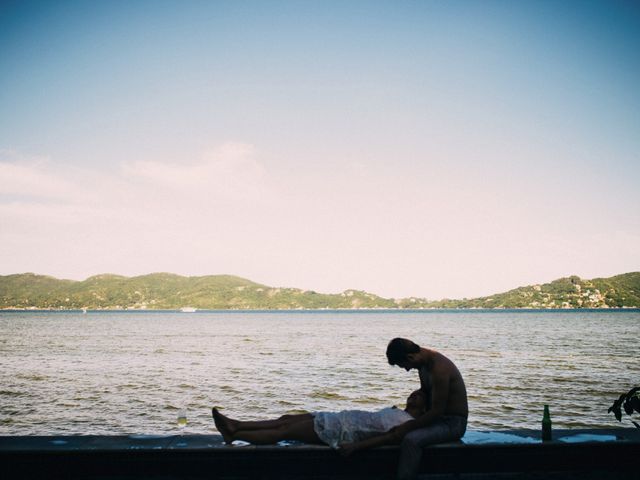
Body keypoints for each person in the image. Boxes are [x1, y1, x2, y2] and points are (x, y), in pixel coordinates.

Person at [212, 389, 428, 452]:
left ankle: (235, 433)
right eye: (413, 392)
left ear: (425, 407)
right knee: (285, 418)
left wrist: (355, 446)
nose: (413, 395)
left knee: (285, 431)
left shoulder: (409, 423)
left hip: (340, 431)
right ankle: (236, 424)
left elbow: (388, 438)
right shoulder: (397, 410)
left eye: (418, 395)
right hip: (338, 418)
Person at [384, 337, 468, 480]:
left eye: (404, 365)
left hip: (452, 423)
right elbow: (425, 394)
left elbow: (437, 411)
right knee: (390, 425)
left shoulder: (439, 370)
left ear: (410, 357)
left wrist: (407, 427)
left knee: (411, 440)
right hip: (436, 419)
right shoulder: (423, 365)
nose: (407, 369)